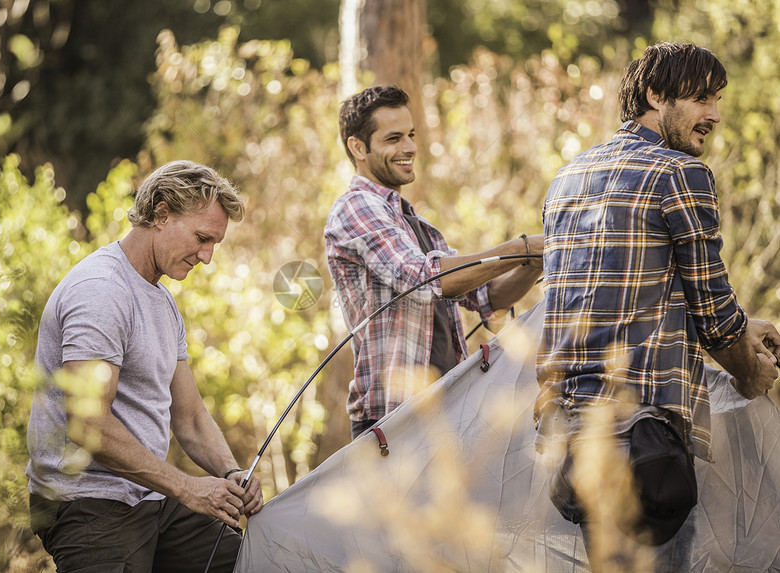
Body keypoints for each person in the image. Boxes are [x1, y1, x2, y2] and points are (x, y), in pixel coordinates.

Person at [535, 42, 780, 570]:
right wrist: (749, 373)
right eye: (699, 99)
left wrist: (745, 328)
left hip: (574, 438)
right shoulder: (679, 174)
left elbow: (624, 296)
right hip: (644, 440)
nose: (712, 114)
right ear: (653, 94)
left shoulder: (569, 178)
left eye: (716, 100)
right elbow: (714, 313)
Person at [26, 160, 263, 573]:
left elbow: (188, 416)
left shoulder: (162, 303)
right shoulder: (101, 291)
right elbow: (87, 424)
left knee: (252, 563)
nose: (207, 257)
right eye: (202, 238)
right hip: (88, 502)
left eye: (215, 245)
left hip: (150, 498)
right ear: (161, 212)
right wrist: (188, 487)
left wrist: (233, 472)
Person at [325, 85, 544, 439]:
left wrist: (533, 262)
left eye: (411, 135)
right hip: (393, 422)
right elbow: (425, 278)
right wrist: (520, 248)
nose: (409, 147)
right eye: (393, 138)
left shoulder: (413, 222)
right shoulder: (357, 206)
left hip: (446, 408)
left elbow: (488, 298)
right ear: (358, 147)